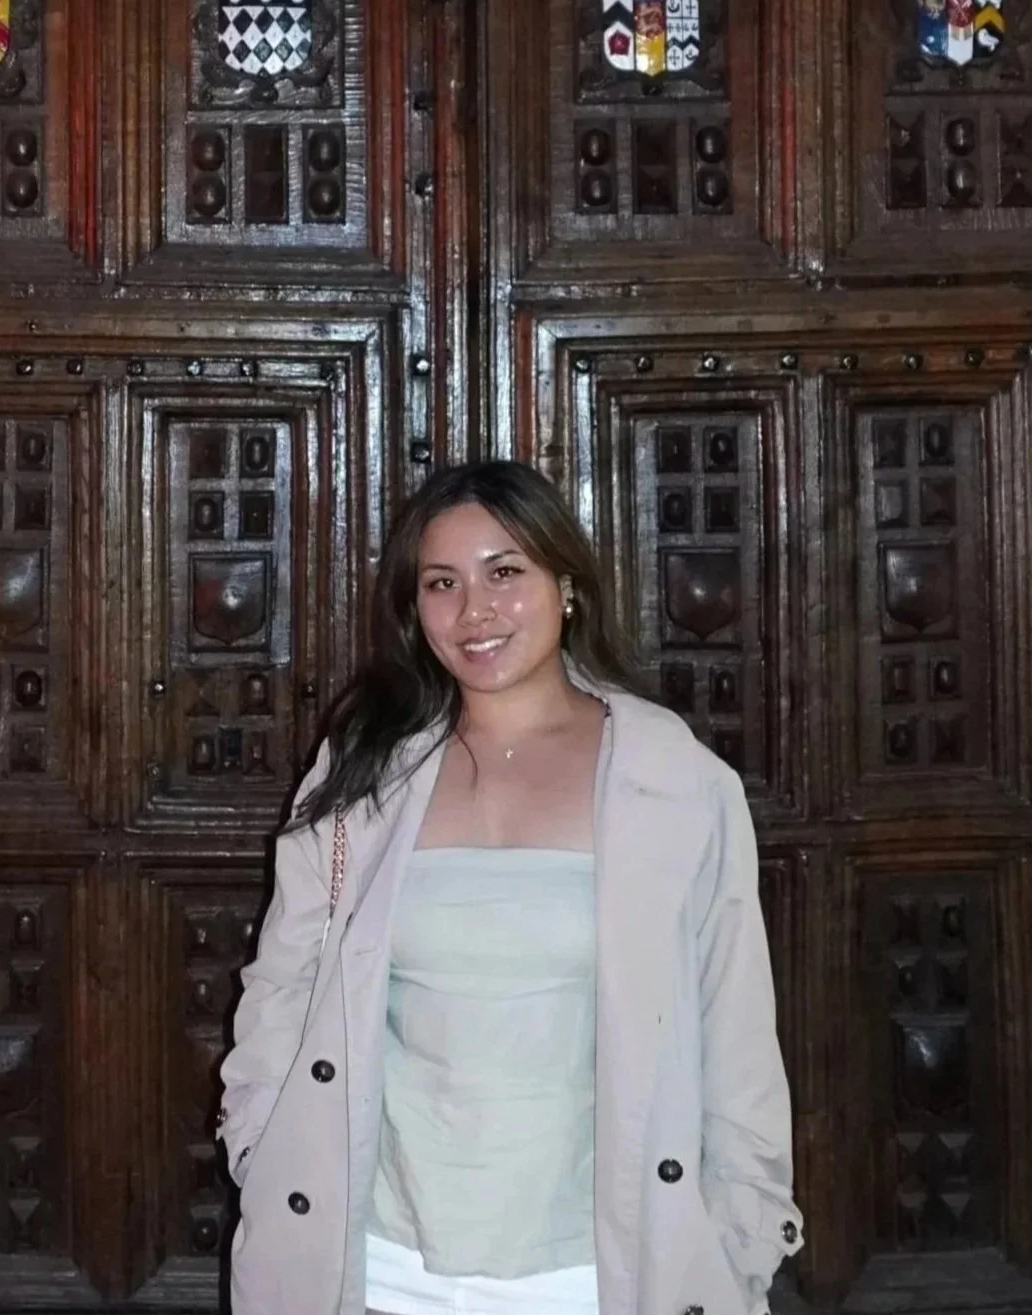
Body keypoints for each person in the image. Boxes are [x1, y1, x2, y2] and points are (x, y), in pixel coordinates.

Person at [217, 460, 804, 1315]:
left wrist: (742, 1237)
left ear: (566, 584)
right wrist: (257, 1143)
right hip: (374, 1256)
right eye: (441, 583)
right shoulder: (364, 770)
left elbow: (735, 1024)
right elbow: (282, 983)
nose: (474, 612)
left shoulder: (671, 778)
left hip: (596, 1268)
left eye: (504, 573)